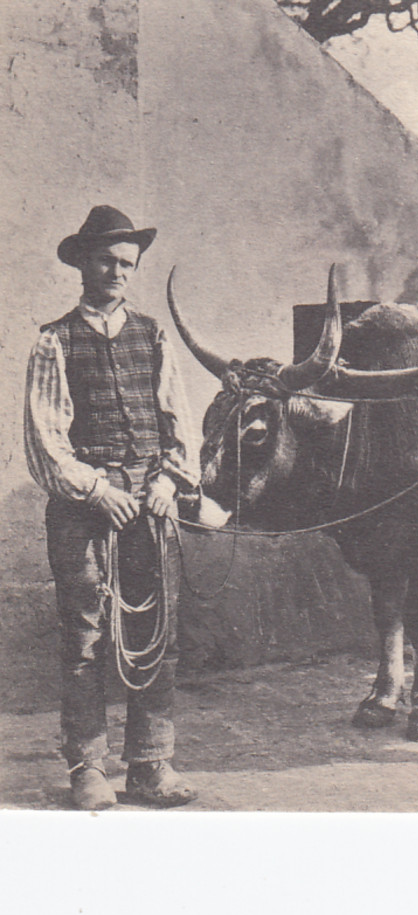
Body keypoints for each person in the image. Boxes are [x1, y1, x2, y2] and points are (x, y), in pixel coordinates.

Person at [25, 205, 200, 809]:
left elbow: (178, 426)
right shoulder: (55, 340)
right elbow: (45, 440)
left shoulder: (152, 335)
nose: (118, 271)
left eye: (127, 262)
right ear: (82, 264)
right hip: (83, 509)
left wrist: (168, 483)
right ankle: (88, 768)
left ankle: (151, 764)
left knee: (158, 631)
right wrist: (98, 490)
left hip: (150, 506)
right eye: (106, 259)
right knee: (86, 638)